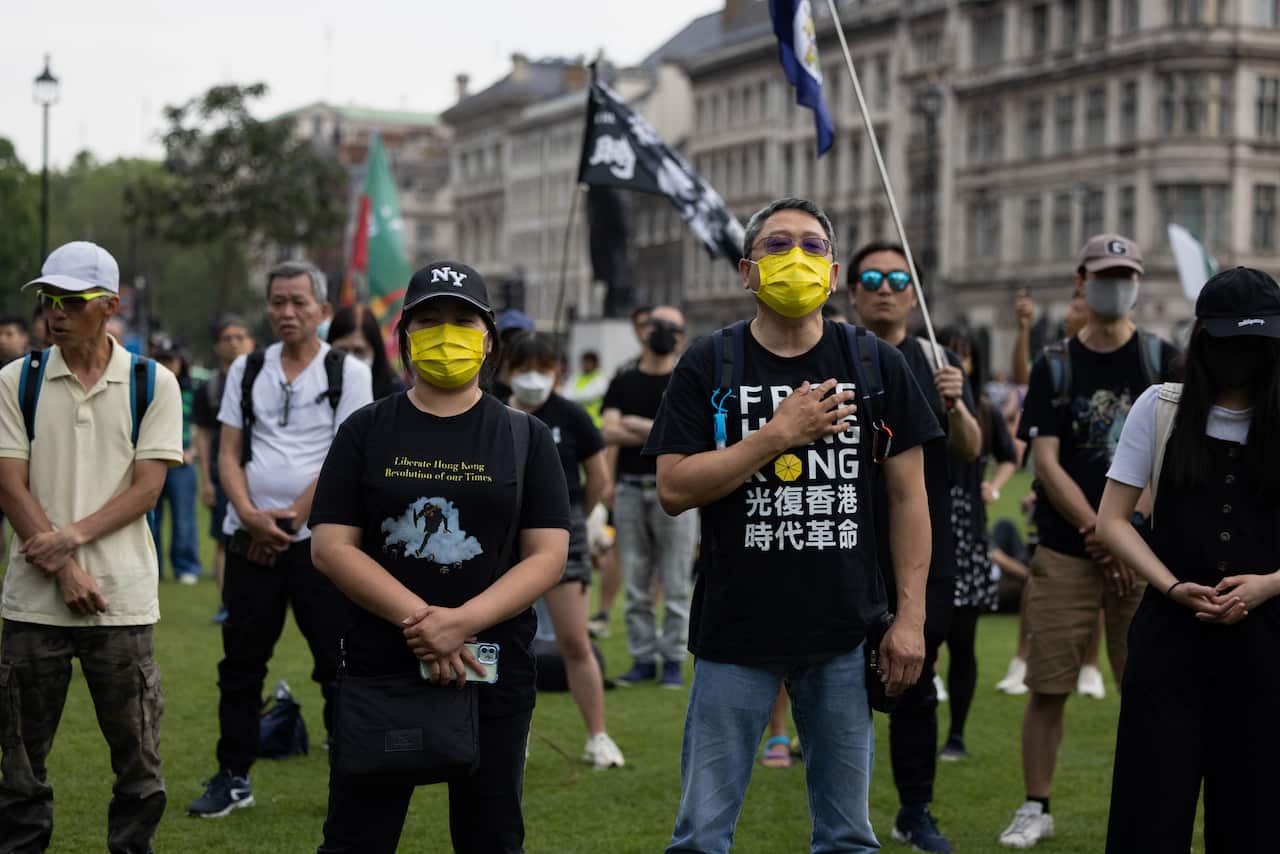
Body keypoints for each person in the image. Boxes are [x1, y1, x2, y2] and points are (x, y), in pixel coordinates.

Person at [646, 198, 938, 853]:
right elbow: (672, 488)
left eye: (811, 246)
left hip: (842, 633)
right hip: (734, 636)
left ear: (833, 275)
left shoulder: (875, 365)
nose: (796, 258)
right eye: (778, 246)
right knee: (700, 836)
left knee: (846, 837)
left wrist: (910, 618)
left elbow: (909, 500)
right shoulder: (710, 362)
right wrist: (777, 435)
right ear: (748, 272)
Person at [309, 260, 570, 853]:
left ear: (488, 341)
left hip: (492, 665)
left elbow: (548, 555)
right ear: (403, 337)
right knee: (356, 838)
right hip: (384, 663)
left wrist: (462, 624)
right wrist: (424, 623)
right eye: (429, 321)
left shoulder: (524, 437)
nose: (446, 334)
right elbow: (330, 546)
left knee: (491, 837)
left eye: (461, 320)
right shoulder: (366, 430)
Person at [0, 241, 183, 853]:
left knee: (138, 759)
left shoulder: (151, 381)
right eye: (49, 298)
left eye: (72, 300)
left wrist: (69, 543)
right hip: (31, 602)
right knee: (18, 765)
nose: (56, 311)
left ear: (109, 306)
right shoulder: (16, 380)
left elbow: (148, 488)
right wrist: (64, 570)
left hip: (121, 600)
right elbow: (9, 484)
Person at [998, 234, 1179, 848]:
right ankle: (1036, 806)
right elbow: (1044, 463)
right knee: (1048, 685)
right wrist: (1104, 531)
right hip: (1068, 548)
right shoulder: (1055, 364)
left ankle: (1153, 805)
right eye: (1105, 274)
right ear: (1081, 281)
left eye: (1126, 273)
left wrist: (1128, 532)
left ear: (1138, 280)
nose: (1116, 283)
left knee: (1148, 688)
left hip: (1143, 553)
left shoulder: (1162, 359)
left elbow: (1171, 459)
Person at [1098, 266, 1280, 853]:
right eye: (1231, 342)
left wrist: (1268, 586)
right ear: (1203, 340)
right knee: (1149, 811)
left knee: (1257, 814)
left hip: (1268, 645)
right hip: (1170, 642)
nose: (1243, 357)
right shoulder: (1161, 407)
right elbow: (1112, 520)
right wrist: (1173, 587)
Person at [188, 260, 373, 818]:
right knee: (241, 665)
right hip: (250, 540)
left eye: (298, 302)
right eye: (276, 302)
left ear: (322, 310)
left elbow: (347, 454)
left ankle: (353, 778)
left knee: (338, 666)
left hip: (323, 544)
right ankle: (233, 775)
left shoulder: (348, 371)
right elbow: (227, 451)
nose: (286, 312)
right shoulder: (246, 369)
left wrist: (291, 518)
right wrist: (248, 514)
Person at [848, 241, 983, 853]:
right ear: (851, 292)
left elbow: (972, 449)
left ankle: (915, 808)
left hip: (924, 546)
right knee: (835, 680)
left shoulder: (937, 359)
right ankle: (842, 817)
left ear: (914, 294)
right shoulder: (835, 354)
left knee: (916, 674)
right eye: (871, 277)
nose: (884, 287)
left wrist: (955, 402)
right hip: (844, 539)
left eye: (897, 278)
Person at [505, 332, 624, 769]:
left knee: (575, 641)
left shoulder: (571, 415)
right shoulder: (493, 412)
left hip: (563, 531)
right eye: (522, 367)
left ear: (558, 371)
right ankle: (507, 736)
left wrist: (572, 519)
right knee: (503, 641)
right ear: (505, 371)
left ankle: (598, 735)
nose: (533, 377)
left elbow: (598, 479)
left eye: (543, 366)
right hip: (502, 532)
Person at [603, 306, 698, 688]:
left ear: (682, 336)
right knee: (637, 581)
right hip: (629, 489)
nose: (664, 333)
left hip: (677, 492)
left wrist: (637, 425)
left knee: (676, 582)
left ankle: (673, 659)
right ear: (644, 330)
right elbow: (609, 431)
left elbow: (695, 434)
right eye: (659, 326)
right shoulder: (624, 377)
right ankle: (643, 658)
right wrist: (662, 432)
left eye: (674, 328)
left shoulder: (689, 377)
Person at [937, 328, 1018, 762]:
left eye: (964, 356)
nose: (957, 363)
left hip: (967, 530)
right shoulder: (924, 404)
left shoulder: (983, 410)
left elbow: (1009, 456)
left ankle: (957, 734)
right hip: (929, 527)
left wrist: (994, 488)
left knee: (963, 641)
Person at [193, 316, 254, 622]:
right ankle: (226, 602)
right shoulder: (210, 388)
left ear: (252, 342)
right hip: (222, 475)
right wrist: (205, 479)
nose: (234, 343)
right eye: (228, 337)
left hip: (258, 473)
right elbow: (202, 436)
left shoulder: (266, 380)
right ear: (217, 346)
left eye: (240, 336)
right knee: (223, 539)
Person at [148, 343, 203, 584]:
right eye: (161, 360)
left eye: (171, 360)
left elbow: (200, 427)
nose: (167, 365)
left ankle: (186, 566)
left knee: (184, 518)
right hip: (153, 461)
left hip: (183, 462)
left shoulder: (191, 391)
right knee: (151, 518)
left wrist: (192, 450)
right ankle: (154, 567)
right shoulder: (146, 390)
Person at [327, 304, 406, 401]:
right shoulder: (317, 386)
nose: (349, 362)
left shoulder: (396, 397)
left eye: (358, 351)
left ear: (375, 352)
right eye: (342, 350)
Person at [562, 350, 608, 428]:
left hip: (595, 423)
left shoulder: (600, 378)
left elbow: (589, 395)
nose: (586, 365)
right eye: (584, 362)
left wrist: (574, 396)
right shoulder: (576, 377)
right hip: (577, 421)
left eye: (589, 362)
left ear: (595, 363)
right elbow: (564, 395)